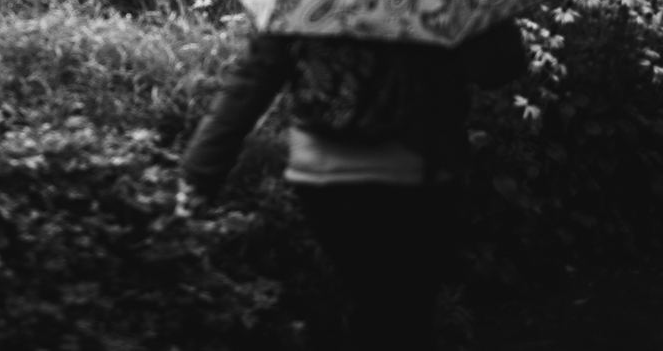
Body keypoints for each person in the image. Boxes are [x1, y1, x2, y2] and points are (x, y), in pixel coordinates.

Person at [179, 22, 525, 350]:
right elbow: (498, 67)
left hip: (321, 179)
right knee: (404, 320)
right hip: (416, 174)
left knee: (374, 306)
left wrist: (199, 174)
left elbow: (254, 76)